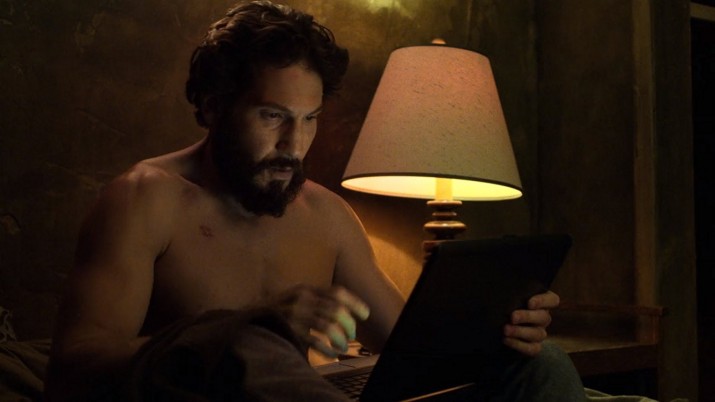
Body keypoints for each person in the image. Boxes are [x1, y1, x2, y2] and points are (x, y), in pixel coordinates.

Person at [45, 1, 585, 400]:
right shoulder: (145, 200)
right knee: (252, 347)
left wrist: (497, 330)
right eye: (272, 116)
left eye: (309, 120)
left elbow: (410, 348)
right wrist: (238, 330)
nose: (294, 144)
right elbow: (74, 370)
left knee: (542, 363)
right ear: (212, 107)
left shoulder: (324, 214)